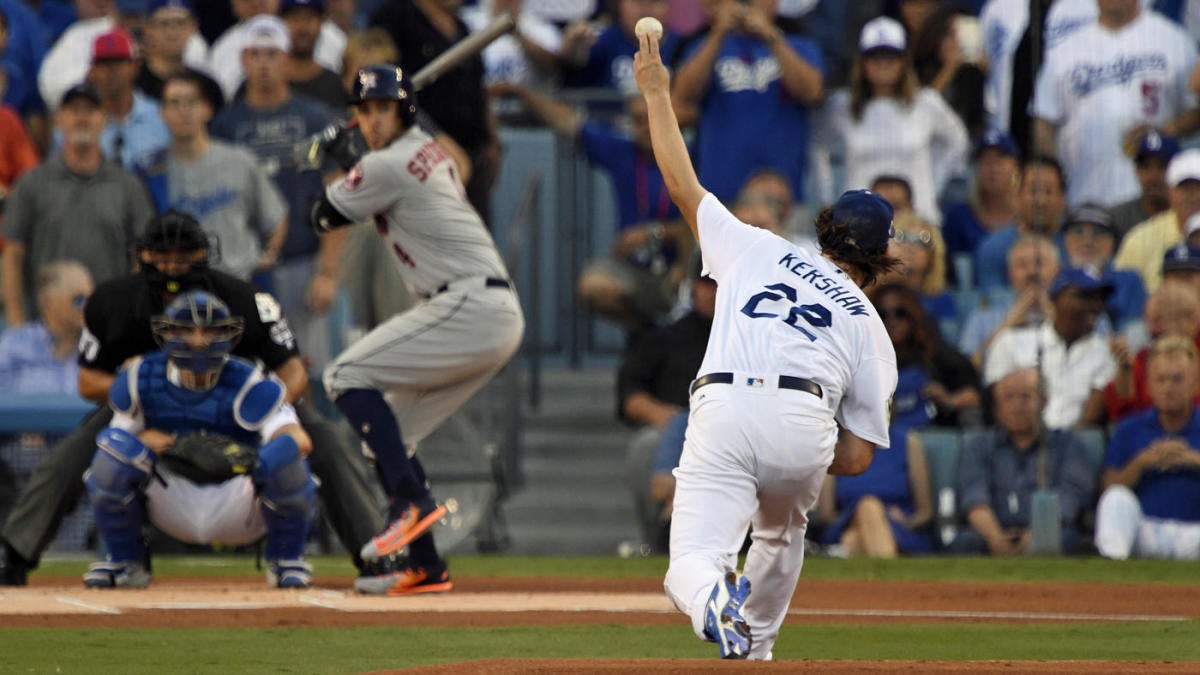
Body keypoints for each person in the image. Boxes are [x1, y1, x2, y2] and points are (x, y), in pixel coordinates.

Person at [635, 30, 899, 660]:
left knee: (691, 563)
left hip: (724, 408)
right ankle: (755, 649)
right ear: (882, 256)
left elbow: (680, 182)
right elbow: (859, 459)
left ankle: (713, 604)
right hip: (804, 421)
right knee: (782, 533)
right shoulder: (869, 324)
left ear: (826, 229)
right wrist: (804, 448)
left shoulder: (758, 243)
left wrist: (655, 92)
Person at [0, 211, 387, 587]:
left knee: (326, 442)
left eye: (183, 256)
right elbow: (88, 381)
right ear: (143, 257)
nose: (172, 266)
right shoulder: (113, 300)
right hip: (151, 405)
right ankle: (16, 550)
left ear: (203, 256)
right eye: (162, 256)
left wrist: (256, 411)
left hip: (238, 399)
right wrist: (144, 390)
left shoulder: (245, 298)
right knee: (84, 450)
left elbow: (293, 372)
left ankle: (377, 551)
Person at [309, 65, 525, 595]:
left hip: (468, 303)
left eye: (384, 108)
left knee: (344, 374)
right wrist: (345, 155)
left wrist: (329, 158)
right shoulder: (422, 148)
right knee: (389, 437)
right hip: (484, 308)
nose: (375, 118)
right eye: (366, 110)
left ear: (401, 111)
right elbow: (363, 189)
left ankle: (409, 505)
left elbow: (323, 216)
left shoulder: (390, 161)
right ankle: (427, 566)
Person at [81, 290, 318, 588]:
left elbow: (298, 439)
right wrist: (164, 444)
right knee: (111, 458)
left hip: (237, 499)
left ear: (227, 334)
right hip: (171, 497)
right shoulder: (142, 376)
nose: (198, 341)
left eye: (209, 330)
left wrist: (254, 460)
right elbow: (114, 441)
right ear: (167, 333)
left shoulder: (249, 380)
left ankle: (286, 560)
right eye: (186, 330)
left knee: (289, 461)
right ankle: (126, 562)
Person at [211, 15, 338, 372]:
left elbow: (337, 195)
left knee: (310, 370)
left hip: (303, 260)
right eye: (256, 54)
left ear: (285, 59)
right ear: (243, 60)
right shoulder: (226, 125)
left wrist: (327, 271)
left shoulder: (315, 119)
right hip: (244, 269)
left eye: (272, 54)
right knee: (246, 367)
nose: (264, 63)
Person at [2, 83, 154, 326]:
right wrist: (17, 323)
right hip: (45, 329)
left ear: (103, 120)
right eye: (74, 110)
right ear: (60, 120)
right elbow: (12, 256)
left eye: (90, 110)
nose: (82, 118)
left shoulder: (128, 185)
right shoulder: (31, 183)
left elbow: (143, 258)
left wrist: (132, 318)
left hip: (109, 327)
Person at [1032, 0, 1198, 209]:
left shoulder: (1174, 41)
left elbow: (1195, 111)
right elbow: (1043, 121)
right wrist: (1059, 179)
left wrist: (1166, 132)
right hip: (1084, 199)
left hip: (1155, 206)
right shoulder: (1066, 51)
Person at [814, 15, 967, 225]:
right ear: (863, 62)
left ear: (903, 62)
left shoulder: (926, 103)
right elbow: (817, 145)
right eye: (874, 57)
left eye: (891, 57)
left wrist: (933, 183)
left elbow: (958, 142)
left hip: (916, 219)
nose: (883, 64)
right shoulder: (843, 106)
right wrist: (827, 198)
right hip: (857, 221)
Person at [671, 0, 825, 205]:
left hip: (781, 196)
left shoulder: (799, 45)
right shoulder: (704, 46)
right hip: (720, 195)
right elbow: (682, 95)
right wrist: (717, 33)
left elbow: (812, 91)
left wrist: (771, 37)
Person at [146, 70, 287, 281]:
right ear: (162, 113)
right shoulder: (154, 172)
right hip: (183, 287)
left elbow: (276, 216)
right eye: (174, 103)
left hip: (240, 283)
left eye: (191, 102)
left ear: (207, 109)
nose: (184, 111)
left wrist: (269, 256)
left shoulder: (240, 160)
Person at [618, 259, 714, 553]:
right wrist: (666, 418)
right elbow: (629, 393)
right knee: (646, 445)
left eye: (721, 285)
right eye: (707, 284)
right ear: (694, 289)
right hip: (678, 432)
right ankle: (656, 538)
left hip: (733, 430)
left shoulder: (754, 336)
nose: (714, 293)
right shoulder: (667, 337)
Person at [949, 367, 1097, 556]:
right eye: (1009, 398)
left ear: (1044, 402)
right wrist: (996, 539)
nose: (1017, 406)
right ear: (997, 407)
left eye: (1026, 397)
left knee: (1070, 540)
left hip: (1049, 530)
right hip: (993, 533)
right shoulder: (979, 446)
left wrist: (1036, 535)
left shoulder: (1067, 445)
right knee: (964, 543)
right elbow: (974, 499)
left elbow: (1071, 499)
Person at [1095, 335, 1200, 560]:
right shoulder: (1128, 428)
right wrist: (1143, 462)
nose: (1168, 388)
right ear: (1149, 385)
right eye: (1161, 380)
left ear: (1195, 383)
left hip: (1195, 535)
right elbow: (1109, 487)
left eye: (1177, 379)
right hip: (1145, 531)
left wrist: (1193, 460)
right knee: (1116, 498)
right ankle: (1112, 570)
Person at [983, 266, 1117, 430]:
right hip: (1016, 442)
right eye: (1084, 297)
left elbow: (1089, 420)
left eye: (1100, 299)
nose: (1094, 306)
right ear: (1056, 299)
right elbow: (997, 407)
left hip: (1073, 445)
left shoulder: (1105, 352)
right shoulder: (1010, 342)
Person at [871, 283, 981, 430]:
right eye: (882, 315)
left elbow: (974, 396)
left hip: (933, 433)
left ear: (912, 315)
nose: (892, 321)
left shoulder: (936, 353)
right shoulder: (866, 361)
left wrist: (948, 399)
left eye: (900, 313)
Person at [815, 424, 935, 558]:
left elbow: (925, 512)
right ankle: (888, 568)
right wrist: (858, 518)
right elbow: (827, 514)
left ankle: (857, 551)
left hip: (899, 527)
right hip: (845, 523)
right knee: (867, 505)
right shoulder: (834, 445)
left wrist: (906, 521)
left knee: (852, 540)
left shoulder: (909, 443)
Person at [958, 234, 1060, 367]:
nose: (1032, 272)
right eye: (1022, 265)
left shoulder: (1074, 316)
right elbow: (968, 370)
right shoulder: (981, 318)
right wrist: (1008, 324)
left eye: (1039, 263)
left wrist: (1055, 320)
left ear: (1057, 270)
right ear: (1009, 274)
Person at [1105, 283, 1200, 423]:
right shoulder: (1144, 357)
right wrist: (1125, 370)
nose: (1153, 328)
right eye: (1149, 320)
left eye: (1161, 319)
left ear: (1191, 320)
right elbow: (1120, 414)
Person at [973, 155, 1067, 292]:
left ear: (1063, 199)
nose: (1041, 201)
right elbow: (992, 301)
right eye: (1033, 191)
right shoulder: (993, 247)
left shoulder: (1072, 245)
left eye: (1048, 191)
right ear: (1016, 196)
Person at [0, 260, 93, 395]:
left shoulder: (101, 349)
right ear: (47, 302)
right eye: (79, 300)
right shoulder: (14, 346)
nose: (87, 307)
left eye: (92, 300)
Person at [1114, 148, 1200, 293]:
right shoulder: (1140, 239)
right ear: (1170, 191)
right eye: (1184, 188)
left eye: (1198, 188)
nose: (1192, 196)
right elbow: (1123, 292)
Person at [86, 28, 170, 171]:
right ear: (92, 71)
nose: (111, 70)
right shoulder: (79, 122)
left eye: (119, 62)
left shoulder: (163, 117)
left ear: (135, 67)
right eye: (103, 63)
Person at [940, 131, 1020, 267]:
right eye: (986, 162)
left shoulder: (1027, 215)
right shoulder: (958, 217)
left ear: (1015, 166)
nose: (993, 169)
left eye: (999, 161)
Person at [1060, 205, 1146, 331]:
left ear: (1112, 243)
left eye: (1098, 233)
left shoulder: (1129, 281)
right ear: (1065, 240)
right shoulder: (1056, 279)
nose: (1087, 241)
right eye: (1078, 231)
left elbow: (1136, 328)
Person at [135, 0, 223, 111]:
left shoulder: (207, 86)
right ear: (148, 28)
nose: (172, 32)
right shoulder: (134, 81)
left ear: (194, 26)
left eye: (180, 23)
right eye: (164, 24)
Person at [1108, 130, 1179, 241]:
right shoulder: (1118, 218)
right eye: (1145, 167)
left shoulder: (1190, 216)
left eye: (1162, 166)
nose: (1153, 176)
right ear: (1137, 171)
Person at [280, 0, 348, 111]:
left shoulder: (334, 84)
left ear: (321, 23)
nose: (302, 27)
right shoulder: (266, 84)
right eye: (295, 18)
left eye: (309, 18)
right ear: (282, 23)